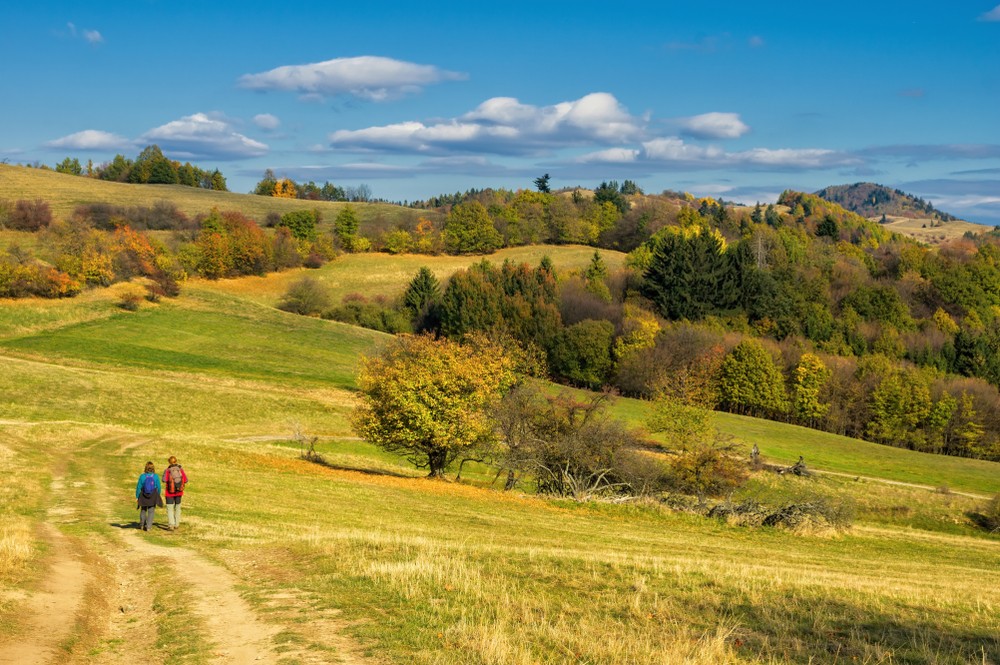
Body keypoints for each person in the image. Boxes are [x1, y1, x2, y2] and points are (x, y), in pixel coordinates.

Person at [162, 455, 188, 531]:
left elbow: (164, 480)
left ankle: (171, 524)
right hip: (179, 492)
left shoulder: (167, 470)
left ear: (169, 462)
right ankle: (177, 524)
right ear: (176, 461)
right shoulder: (180, 469)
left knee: (170, 508)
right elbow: (186, 480)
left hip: (169, 493)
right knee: (178, 507)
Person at [135, 461, 163, 531]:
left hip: (143, 495)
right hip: (153, 495)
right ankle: (148, 527)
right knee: (151, 511)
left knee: (143, 510)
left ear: (146, 468)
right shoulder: (156, 476)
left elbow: (138, 487)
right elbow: (159, 487)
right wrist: (158, 494)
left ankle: (141, 524)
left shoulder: (142, 476)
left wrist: (137, 496)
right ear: (153, 468)